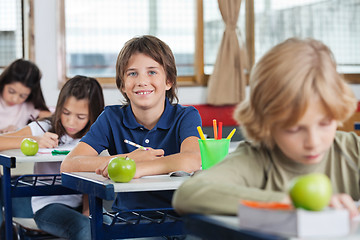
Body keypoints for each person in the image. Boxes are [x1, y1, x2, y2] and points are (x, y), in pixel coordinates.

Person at [172, 38, 360, 219]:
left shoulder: (352, 150)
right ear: (266, 122)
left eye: (325, 123)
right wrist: (289, 203)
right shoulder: (257, 158)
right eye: (293, 129)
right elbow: (189, 194)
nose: (313, 142)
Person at [61, 35, 201, 216]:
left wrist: (136, 168)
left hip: (183, 219)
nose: (142, 81)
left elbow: (192, 159)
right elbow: (69, 164)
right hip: (130, 220)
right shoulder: (111, 118)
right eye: (132, 73)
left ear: (169, 81)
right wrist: (128, 159)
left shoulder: (186, 116)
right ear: (122, 85)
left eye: (152, 72)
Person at [0, 75, 105, 239]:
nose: (70, 122)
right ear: (59, 107)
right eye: (66, 112)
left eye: (81, 117)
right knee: (85, 229)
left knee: (107, 225)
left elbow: (91, 176)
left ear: (93, 115)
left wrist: (87, 210)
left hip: (85, 203)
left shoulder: (94, 135)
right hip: (47, 207)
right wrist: (35, 140)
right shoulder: (44, 127)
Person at [0, 59, 51, 133]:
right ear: (3, 83)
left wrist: (19, 131)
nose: (15, 99)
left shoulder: (28, 106)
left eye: (23, 96)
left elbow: (51, 119)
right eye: (11, 91)